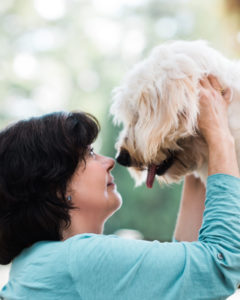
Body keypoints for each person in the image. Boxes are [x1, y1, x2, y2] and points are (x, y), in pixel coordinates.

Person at [0, 75, 240, 300]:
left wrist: (197, 145)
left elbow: (185, 274)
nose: (110, 161)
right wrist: (220, 134)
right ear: (55, 186)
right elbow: (220, 263)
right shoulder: (79, 260)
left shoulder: (41, 263)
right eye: (90, 154)